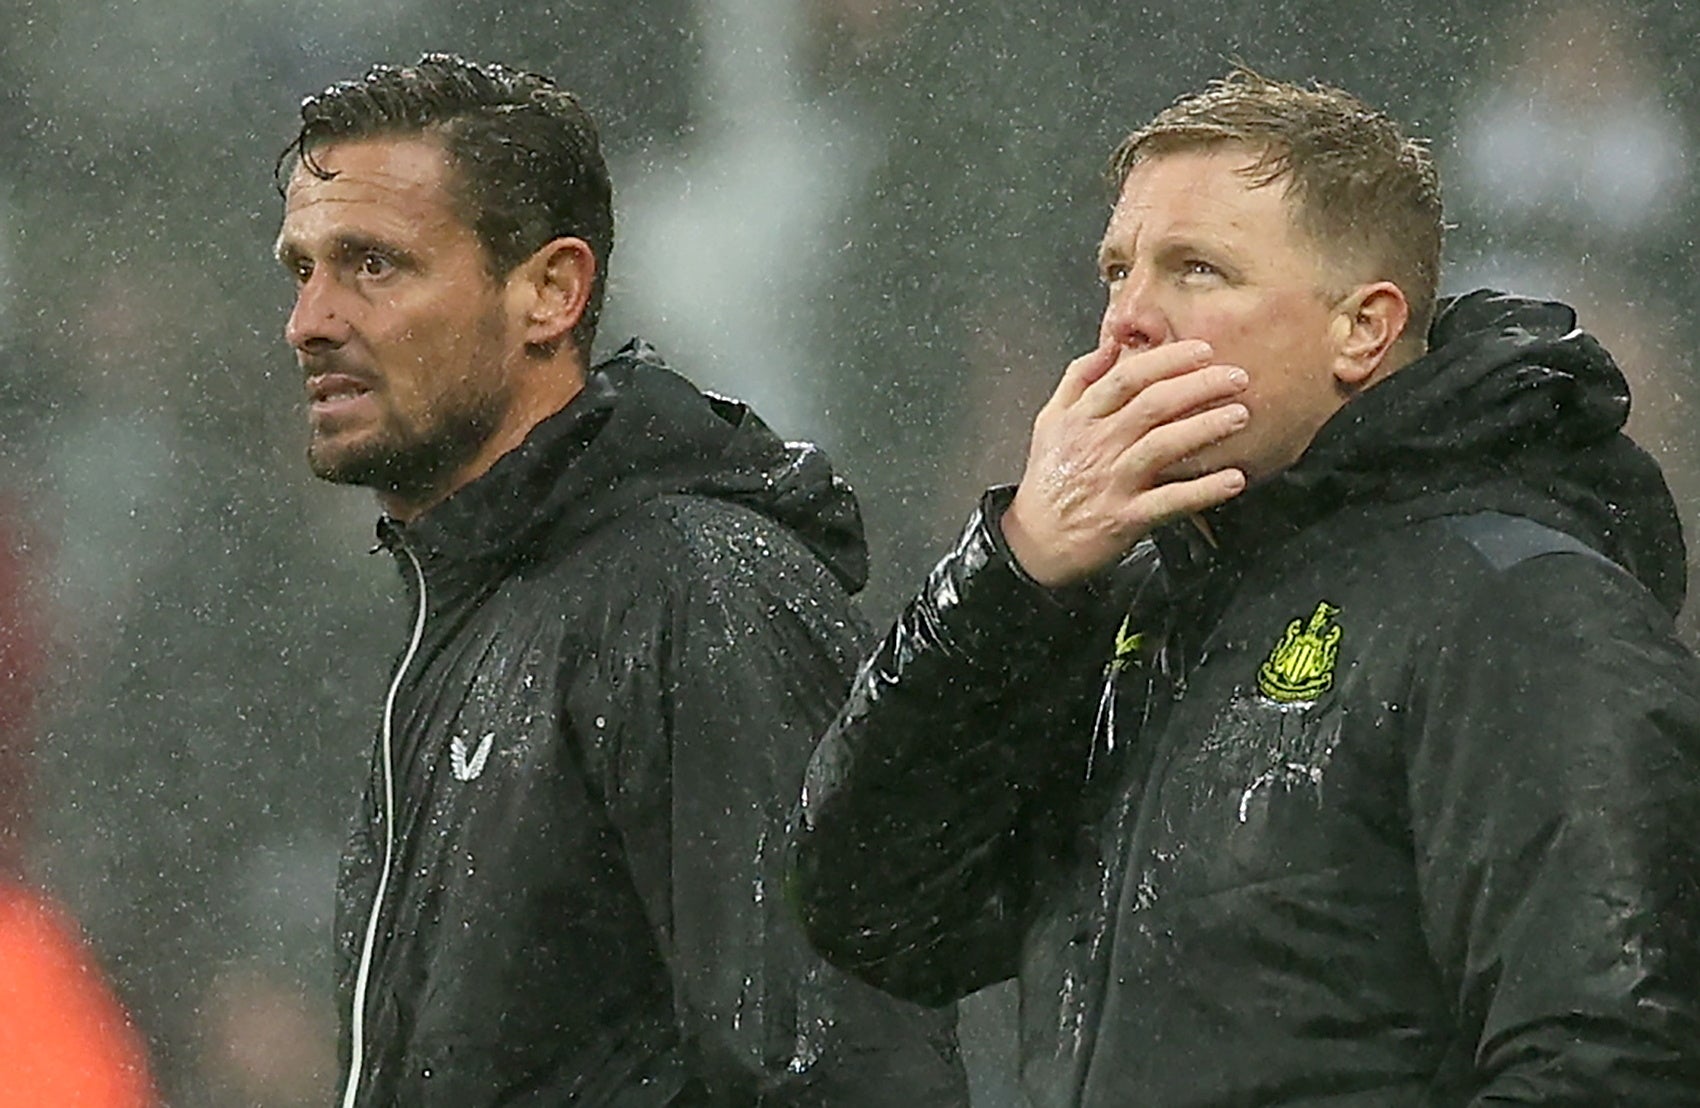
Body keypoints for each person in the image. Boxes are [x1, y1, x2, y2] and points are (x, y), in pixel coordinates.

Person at [789, 69, 1700, 1106]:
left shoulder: (1523, 610)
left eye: (1196, 270)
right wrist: (1010, 575)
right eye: (1115, 270)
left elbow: (1613, 1054)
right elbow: (873, 913)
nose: (1125, 319)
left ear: (1360, 328)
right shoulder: (1130, 604)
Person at [272, 53, 966, 1108]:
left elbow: (843, 1072)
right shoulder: (467, 611)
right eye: (304, 268)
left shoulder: (694, 592)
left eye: (373, 265)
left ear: (551, 291)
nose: (310, 321)